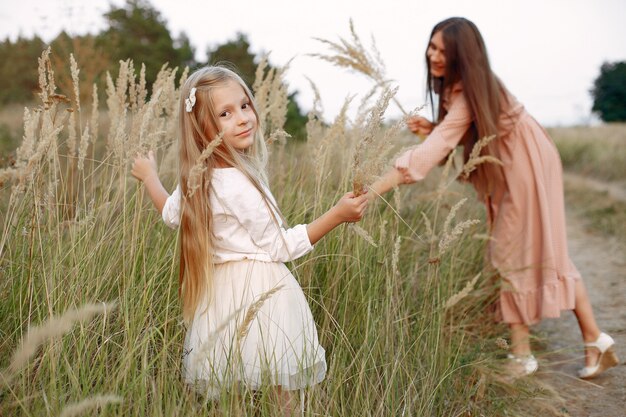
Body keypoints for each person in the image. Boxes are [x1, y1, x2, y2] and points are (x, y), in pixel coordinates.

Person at [370, 17, 618, 379]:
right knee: (546, 251)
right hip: (522, 157)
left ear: (462, 56)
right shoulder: (466, 87)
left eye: (444, 50)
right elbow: (461, 131)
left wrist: (374, 188)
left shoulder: (469, 89)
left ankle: (521, 355)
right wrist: (434, 128)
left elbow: (439, 147)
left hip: (522, 162)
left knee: (507, 250)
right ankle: (595, 340)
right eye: (432, 46)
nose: (433, 55)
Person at [131, 66, 368, 411]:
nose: (242, 118)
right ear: (203, 129)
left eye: (244, 105)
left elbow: (170, 214)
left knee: (234, 394)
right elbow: (281, 247)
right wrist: (337, 215)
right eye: (225, 114)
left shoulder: (198, 177)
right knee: (281, 391)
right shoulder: (240, 183)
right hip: (263, 296)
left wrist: (150, 177)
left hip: (220, 299)